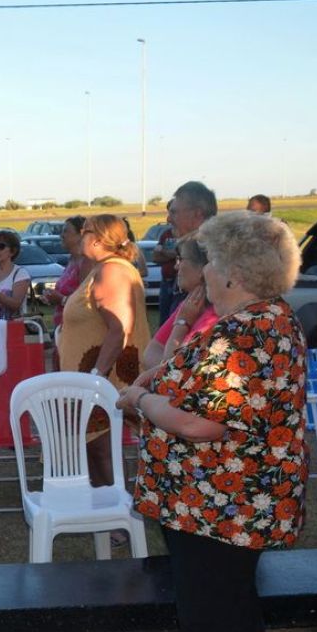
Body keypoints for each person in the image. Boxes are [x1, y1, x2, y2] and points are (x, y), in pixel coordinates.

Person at [117, 210, 306, 632]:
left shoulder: (243, 333)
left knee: (211, 629)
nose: (204, 272)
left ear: (232, 271)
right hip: (233, 505)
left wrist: (141, 401)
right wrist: (166, 370)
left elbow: (202, 423)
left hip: (217, 508)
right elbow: (191, 379)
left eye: (213, 261)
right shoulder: (270, 317)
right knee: (236, 613)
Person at [58, 214, 151, 485]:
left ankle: (119, 520)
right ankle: (106, 514)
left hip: (103, 378)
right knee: (95, 448)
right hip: (93, 377)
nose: (79, 238)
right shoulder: (105, 268)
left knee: (102, 449)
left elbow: (118, 327)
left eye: (84, 232)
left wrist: (96, 377)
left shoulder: (112, 270)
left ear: (97, 239)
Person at [140, 234, 218, 369]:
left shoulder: (216, 314)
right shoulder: (189, 305)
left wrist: (182, 324)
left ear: (203, 268)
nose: (176, 267)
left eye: (180, 259)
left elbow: (175, 369)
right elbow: (150, 354)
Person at [154, 182, 218, 318]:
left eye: (174, 212)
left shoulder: (214, 252)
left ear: (197, 214)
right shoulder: (191, 245)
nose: (168, 219)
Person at [43, 216, 93, 331]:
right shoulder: (71, 260)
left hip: (77, 331)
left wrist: (61, 299)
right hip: (63, 328)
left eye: (65, 231)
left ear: (80, 234)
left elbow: (86, 301)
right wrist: (52, 298)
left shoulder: (86, 262)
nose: (61, 235)